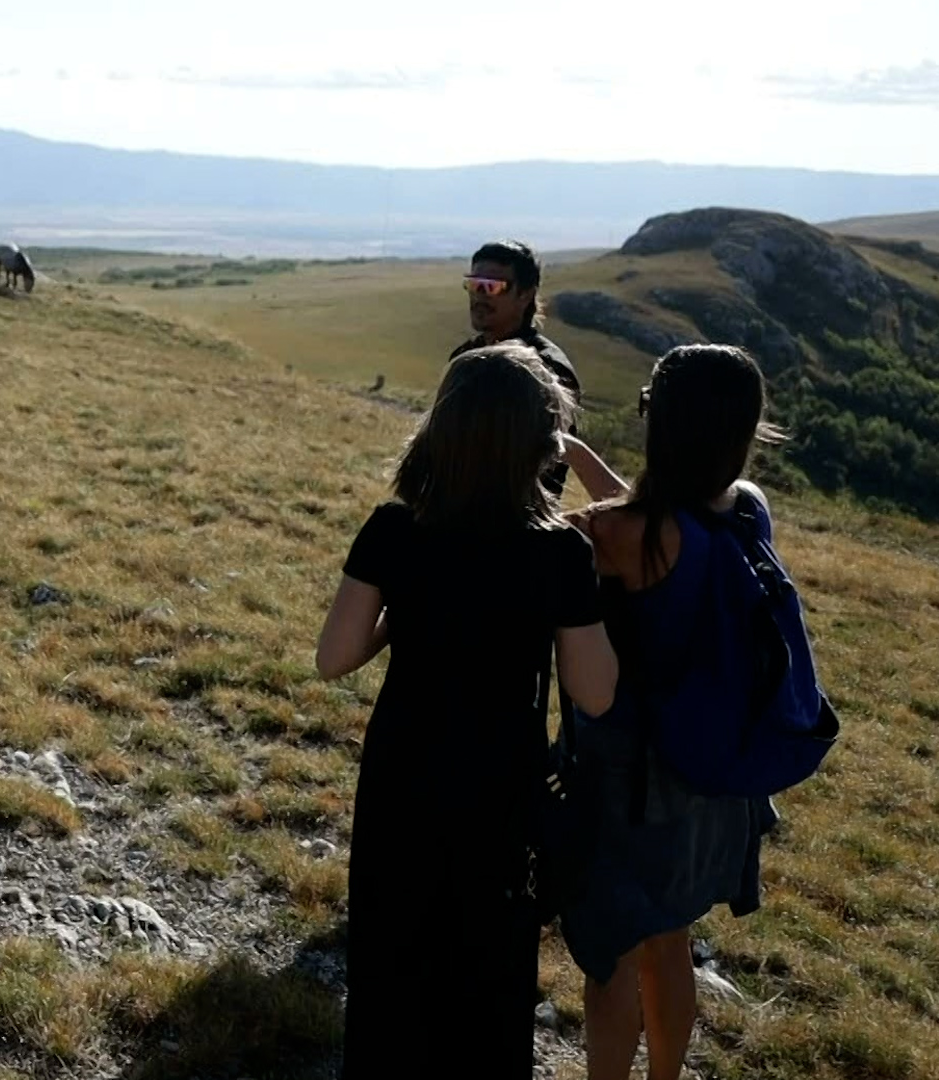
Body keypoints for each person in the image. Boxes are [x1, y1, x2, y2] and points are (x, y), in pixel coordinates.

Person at [317, 344, 619, 1078]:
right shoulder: (558, 555)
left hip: (402, 772)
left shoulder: (393, 529)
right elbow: (596, 692)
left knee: (392, 952)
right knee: (490, 968)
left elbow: (335, 656)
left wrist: (408, 614)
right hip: (503, 786)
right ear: (537, 444)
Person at [557, 345, 788, 1080]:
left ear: (658, 420)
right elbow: (667, 521)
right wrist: (581, 454)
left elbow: (583, 531)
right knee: (670, 943)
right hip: (715, 775)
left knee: (613, 963)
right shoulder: (746, 508)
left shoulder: (615, 534)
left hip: (633, 786)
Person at [451, 239, 582, 498]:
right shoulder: (464, 357)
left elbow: (549, 462)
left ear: (525, 294)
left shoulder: (548, 370)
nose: (480, 296)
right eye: (475, 285)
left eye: (493, 287)